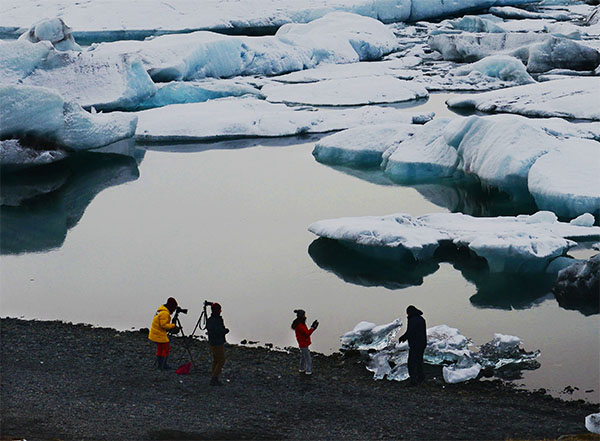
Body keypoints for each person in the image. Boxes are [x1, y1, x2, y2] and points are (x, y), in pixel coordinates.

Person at [148, 297, 179, 370]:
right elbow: (163, 325)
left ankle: (160, 364)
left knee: (160, 348)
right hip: (158, 334)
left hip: (155, 333)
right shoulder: (165, 313)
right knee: (166, 347)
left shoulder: (161, 310)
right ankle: (163, 364)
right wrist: (173, 326)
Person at [399, 305, 427, 385]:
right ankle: (420, 378)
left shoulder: (413, 319)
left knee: (412, 362)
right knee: (419, 361)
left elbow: (411, 331)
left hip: (415, 344)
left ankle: (413, 380)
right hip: (422, 343)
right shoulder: (421, 319)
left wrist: (403, 337)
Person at [206, 302, 229, 386]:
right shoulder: (217, 320)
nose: (221, 311)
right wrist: (225, 331)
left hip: (212, 342)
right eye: (220, 310)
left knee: (216, 360)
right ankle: (214, 378)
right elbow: (218, 331)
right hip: (218, 343)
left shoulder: (210, 320)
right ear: (218, 311)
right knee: (221, 360)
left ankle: (214, 376)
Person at [291, 309, 318, 375]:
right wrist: (313, 328)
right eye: (304, 315)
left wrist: (312, 327)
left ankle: (302, 369)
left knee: (303, 357)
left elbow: (305, 332)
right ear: (302, 316)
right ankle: (308, 371)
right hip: (303, 343)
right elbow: (307, 334)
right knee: (308, 359)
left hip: (302, 343)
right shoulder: (300, 325)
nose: (305, 316)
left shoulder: (299, 323)